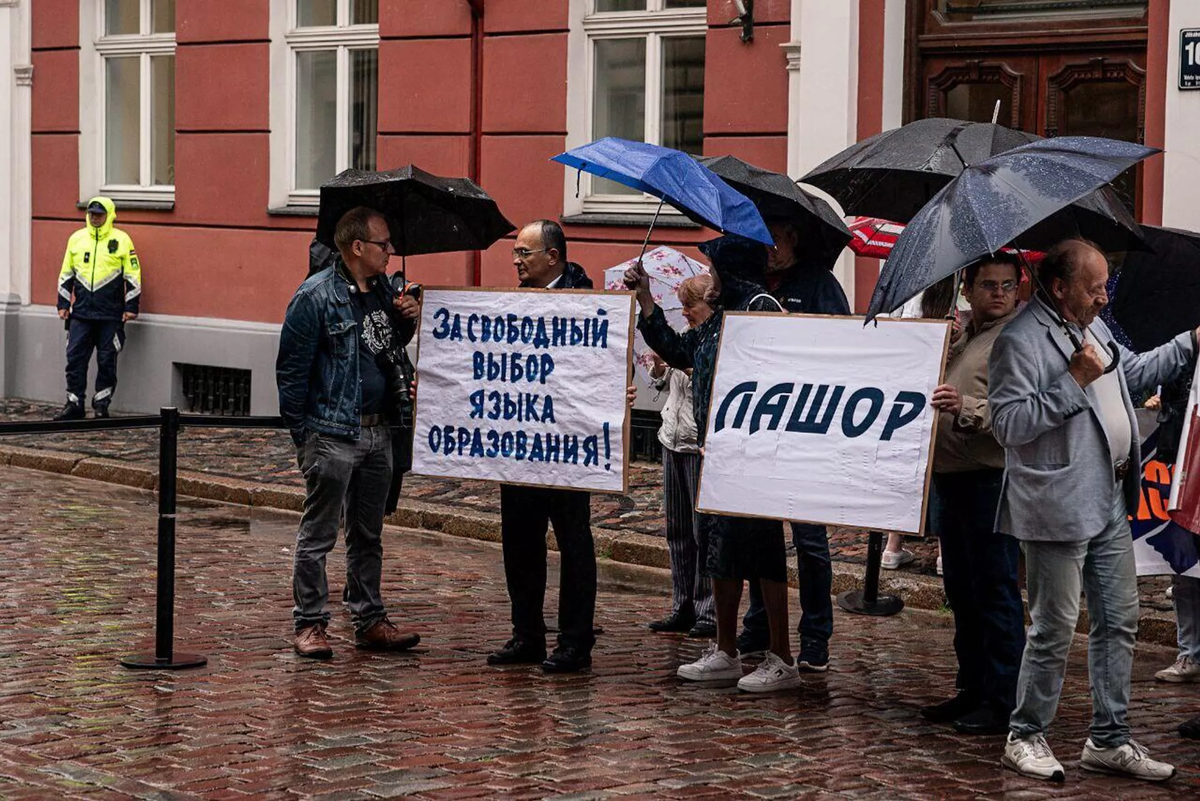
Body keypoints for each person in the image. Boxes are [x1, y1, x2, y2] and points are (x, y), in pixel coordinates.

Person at [989, 238, 1198, 782]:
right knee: (1055, 625)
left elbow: (1128, 378)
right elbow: (1008, 425)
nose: (1106, 297)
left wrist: (1189, 342)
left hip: (1108, 494)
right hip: (1056, 500)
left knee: (1120, 619)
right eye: (1096, 287)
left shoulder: (1093, 327)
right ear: (1059, 287)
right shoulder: (1018, 340)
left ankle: (1108, 739)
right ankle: (1025, 733)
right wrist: (1073, 381)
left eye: (1107, 284)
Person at [631, 234, 799, 693]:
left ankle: (782, 658)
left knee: (764, 556)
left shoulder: (761, 308)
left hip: (754, 456)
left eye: (717, 269)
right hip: (716, 457)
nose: (711, 279)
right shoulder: (719, 315)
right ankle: (726, 651)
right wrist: (647, 300)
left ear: (735, 269)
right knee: (717, 551)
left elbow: (773, 377)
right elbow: (680, 350)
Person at [276, 206, 422, 659]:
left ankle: (370, 618)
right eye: (383, 245)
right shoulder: (315, 296)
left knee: (368, 533)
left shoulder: (383, 292)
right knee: (319, 532)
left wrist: (407, 318)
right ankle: (311, 623)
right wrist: (305, 438)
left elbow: (387, 348)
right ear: (357, 247)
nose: (390, 252)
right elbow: (291, 374)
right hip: (333, 433)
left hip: (382, 431)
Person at [486, 220, 599, 674]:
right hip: (521, 443)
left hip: (568, 445)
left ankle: (574, 642)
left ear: (553, 257)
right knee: (519, 541)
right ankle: (527, 634)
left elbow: (603, 359)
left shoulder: (588, 301)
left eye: (524, 253)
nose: (516, 261)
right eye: (515, 253)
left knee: (574, 543)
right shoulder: (513, 302)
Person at [737, 219, 850, 671]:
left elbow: (846, 343)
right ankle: (759, 622)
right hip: (760, 426)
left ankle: (816, 634)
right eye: (761, 241)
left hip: (807, 429)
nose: (768, 250)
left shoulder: (820, 283)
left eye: (776, 239)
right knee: (758, 535)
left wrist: (798, 330)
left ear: (794, 237)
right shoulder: (750, 282)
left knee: (810, 541)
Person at [919, 254, 1024, 736]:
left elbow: (1020, 408)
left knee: (994, 590)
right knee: (961, 590)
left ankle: (1002, 699)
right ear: (968, 288)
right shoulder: (968, 334)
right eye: (988, 284)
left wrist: (967, 407)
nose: (998, 293)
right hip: (952, 476)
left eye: (1006, 284)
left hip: (990, 478)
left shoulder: (1017, 339)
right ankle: (971, 687)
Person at [646, 274, 715, 639]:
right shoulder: (684, 340)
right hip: (671, 438)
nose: (685, 312)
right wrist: (660, 369)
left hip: (696, 444)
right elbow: (661, 386)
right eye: (683, 306)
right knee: (676, 531)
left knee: (701, 531)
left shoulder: (714, 341)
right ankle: (681, 603)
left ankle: (708, 609)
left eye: (691, 306)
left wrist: (694, 371)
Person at [54, 197, 142, 420]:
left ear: (110, 215)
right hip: (81, 313)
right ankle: (74, 404)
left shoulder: (122, 240)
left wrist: (131, 306)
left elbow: (133, 275)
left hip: (110, 315)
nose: (95, 218)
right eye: (92, 214)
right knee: (74, 358)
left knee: (106, 361)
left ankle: (101, 404)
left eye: (99, 215)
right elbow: (66, 274)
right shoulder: (76, 239)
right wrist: (63, 304)